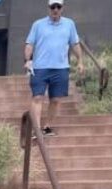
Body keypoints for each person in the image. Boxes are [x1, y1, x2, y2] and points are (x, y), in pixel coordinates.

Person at [24, 1, 84, 137]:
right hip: (40, 68)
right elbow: (29, 44)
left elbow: (74, 43)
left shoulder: (69, 24)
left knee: (56, 100)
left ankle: (47, 127)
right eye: (53, 7)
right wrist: (27, 60)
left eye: (58, 7)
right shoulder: (38, 25)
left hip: (61, 68)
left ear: (62, 8)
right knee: (37, 97)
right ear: (48, 8)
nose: (55, 10)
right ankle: (37, 130)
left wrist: (80, 61)